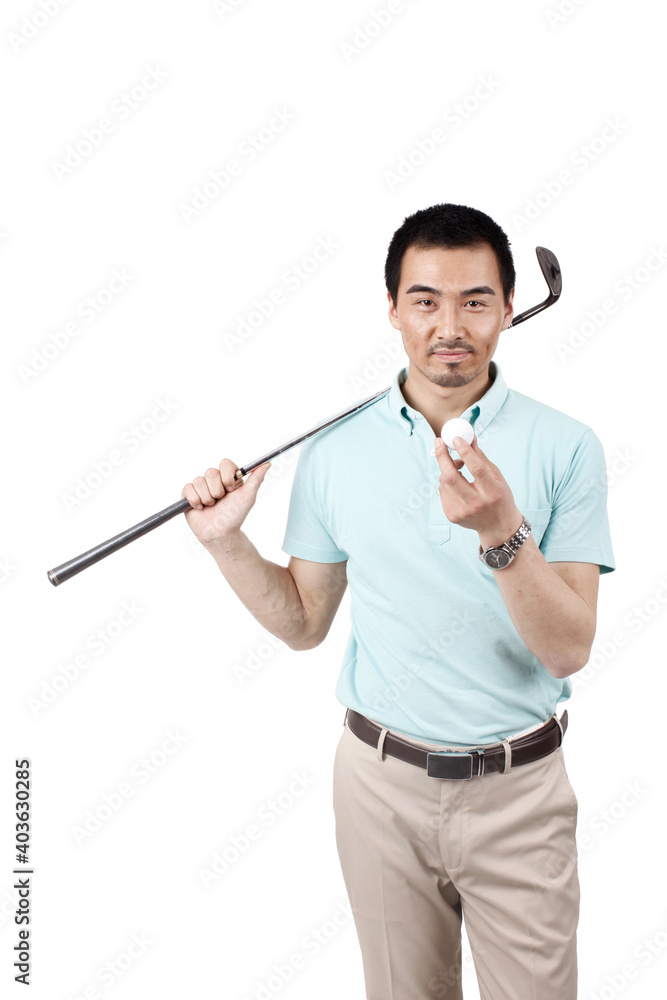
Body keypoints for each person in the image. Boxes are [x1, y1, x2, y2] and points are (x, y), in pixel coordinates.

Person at [181, 203, 615, 1000]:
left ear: (510, 307)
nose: (448, 325)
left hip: (518, 792)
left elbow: (567, 649)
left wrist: (502, 533)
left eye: (474, 300)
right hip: (378, 790)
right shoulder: (335, 450)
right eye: (424, 300)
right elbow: (303, 623)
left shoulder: (565, 447)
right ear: (392, 310)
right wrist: (226, 542)